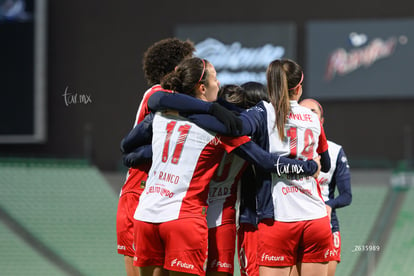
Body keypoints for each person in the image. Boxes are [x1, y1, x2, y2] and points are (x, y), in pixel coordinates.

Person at [120, 57, 322, 276]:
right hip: (197, 216)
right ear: (202, 86)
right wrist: (307, 167)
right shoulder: (224, 131)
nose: (219, 82)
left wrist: (146, 154)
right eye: (215, 77)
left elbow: (127, 148)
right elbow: (265, 161)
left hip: (148, 212)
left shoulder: (162, 113)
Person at [116, 37, 195, 276]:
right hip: (139, 192)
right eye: (189, 64)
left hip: (160, 196)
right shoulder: (159, 94)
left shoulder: (174, 100)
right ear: (175, 70)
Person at [296, 98, 352, 276]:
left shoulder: (335, 151)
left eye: (313, 112)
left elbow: (347, 195)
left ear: (321, 121)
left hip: (326, 225)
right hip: (293, 221)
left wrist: (329, 205)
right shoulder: (285, 149)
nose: (307, 115)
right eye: (302, 111)